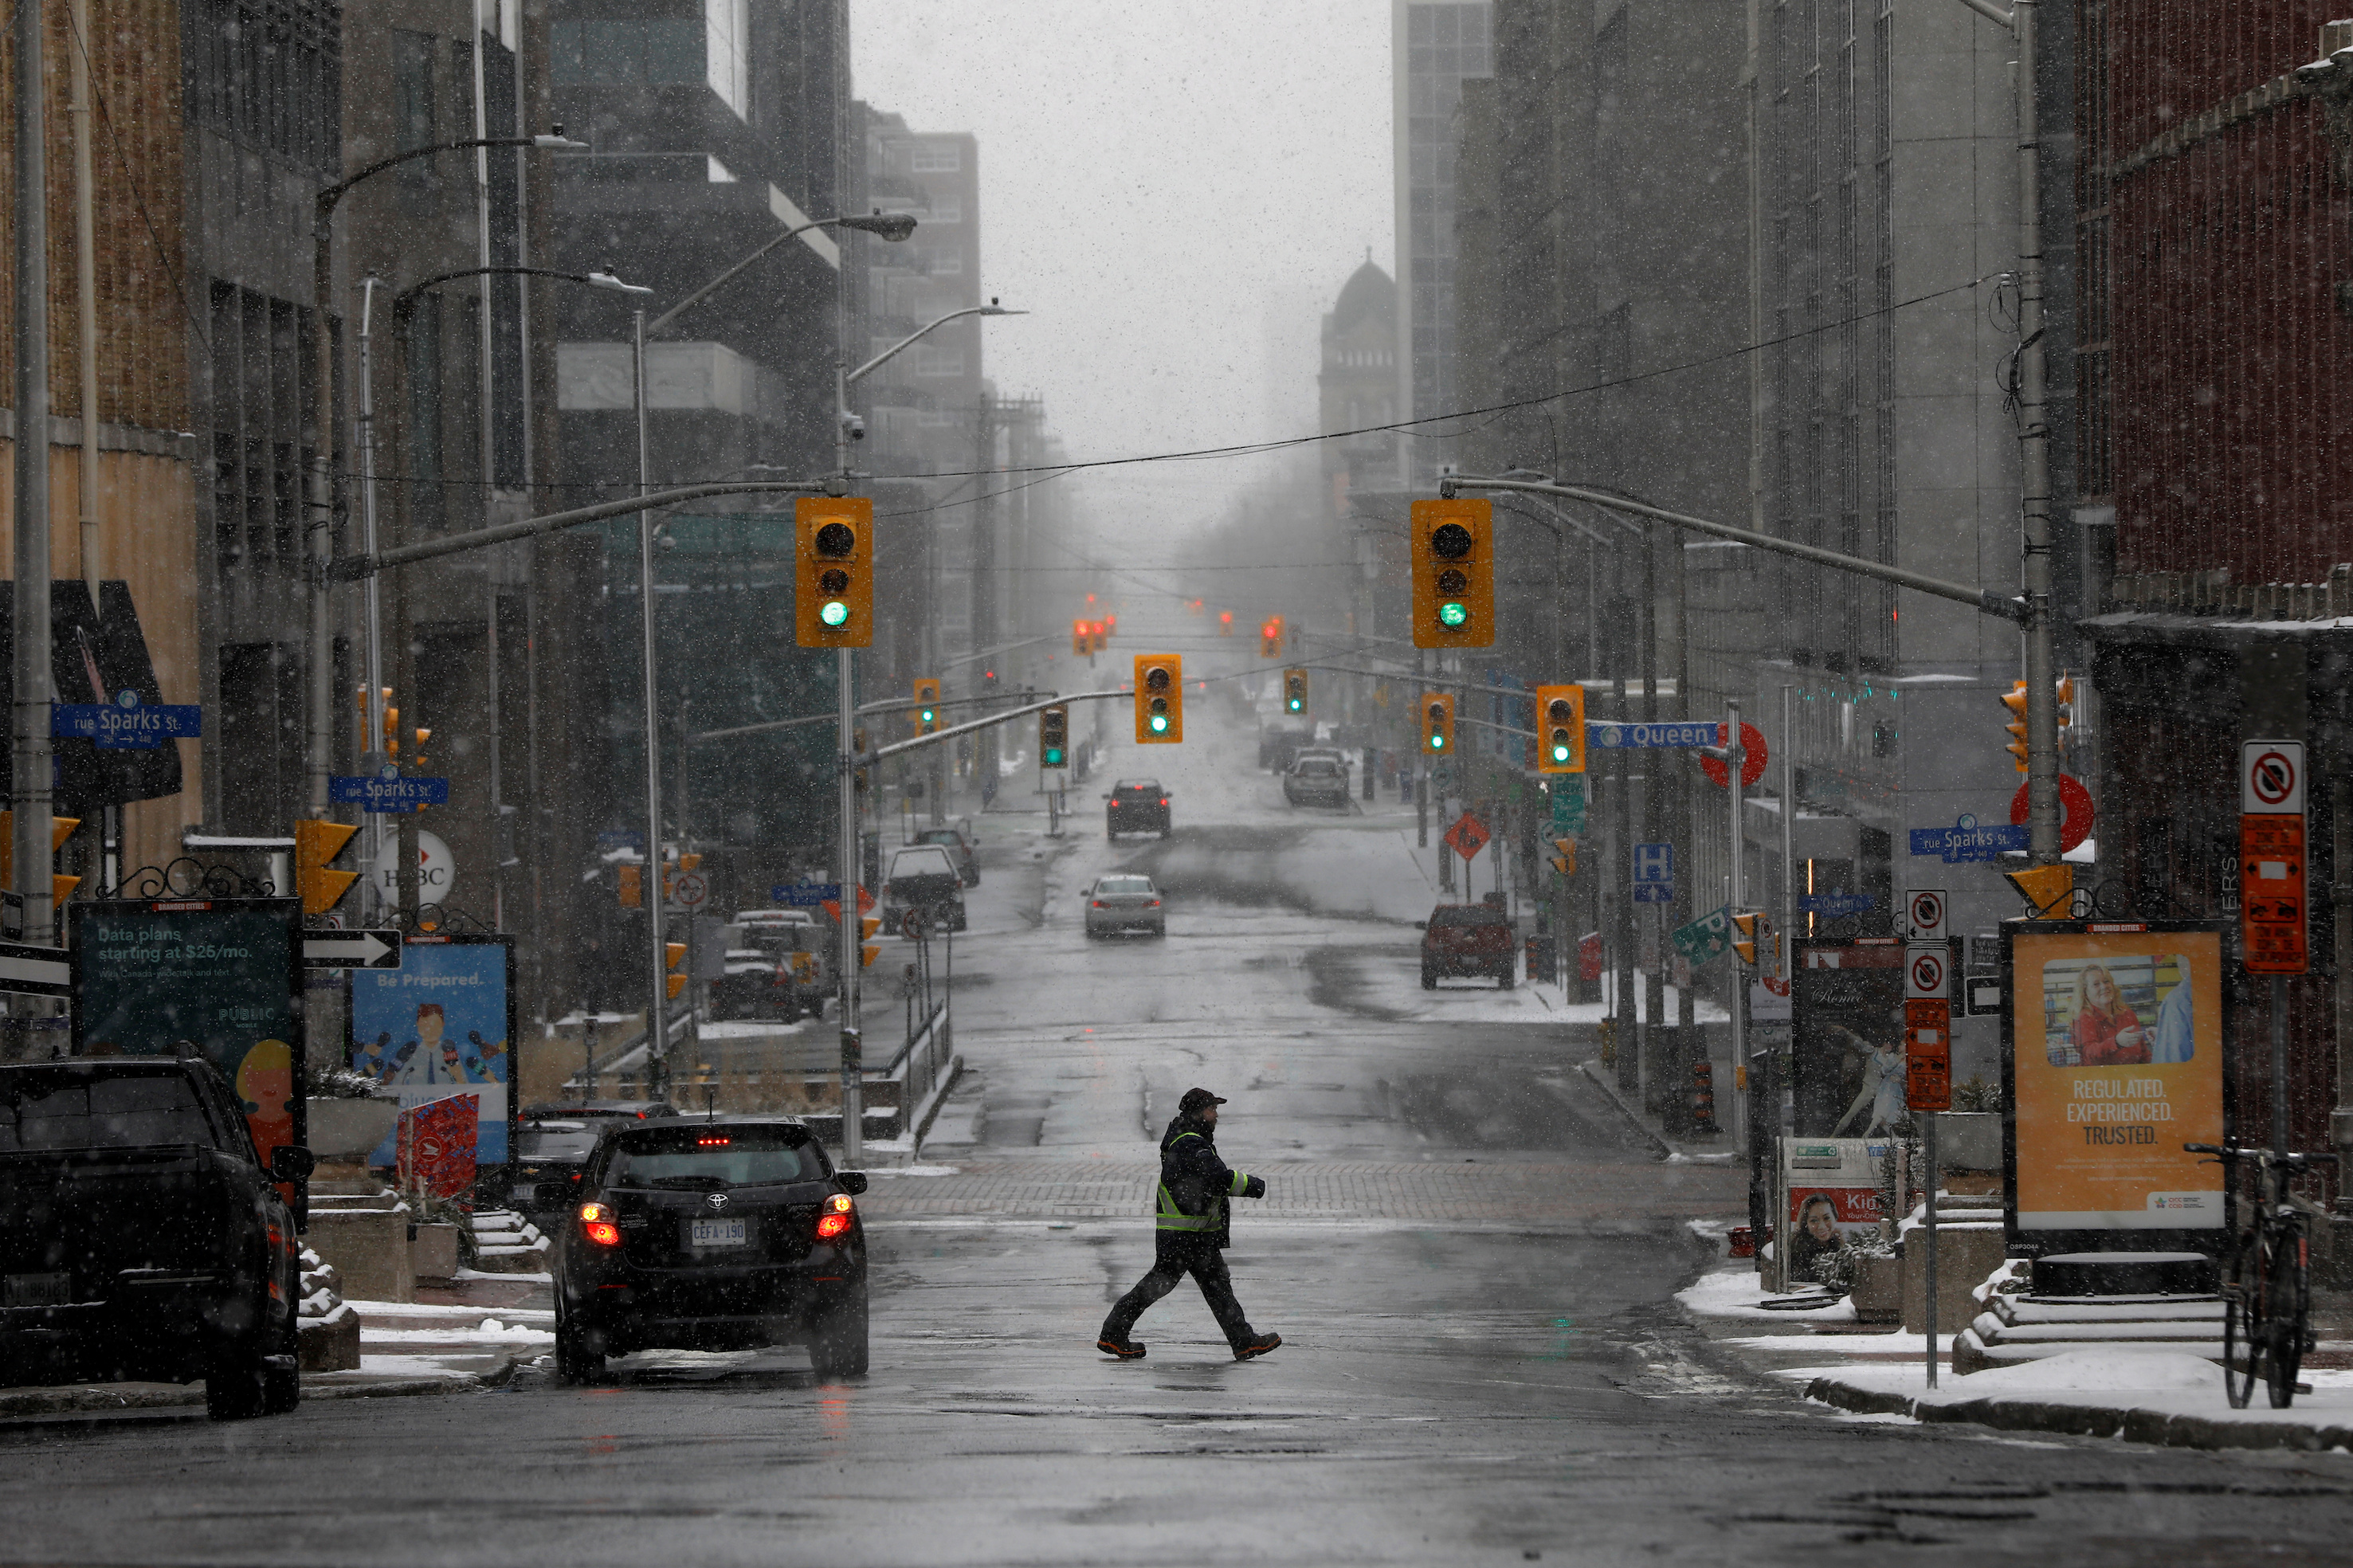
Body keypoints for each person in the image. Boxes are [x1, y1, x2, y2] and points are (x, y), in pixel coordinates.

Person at [1098, 1088, 1282, 1362]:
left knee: (1216, 1286)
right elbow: (1218, 1178)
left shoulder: (1190, 1139)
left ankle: (1244, 1342)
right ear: (1199, 1113)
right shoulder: (1190, 1143)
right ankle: (1113, 1334)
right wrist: (1253, 1185)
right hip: (1185, 1235)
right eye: (1212, 1109)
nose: (1216, 1115)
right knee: (1161, 1285)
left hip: (1193, 1233)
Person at [2071, 964, 2149, 1065]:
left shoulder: (2127, 1014)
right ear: (2085, 992)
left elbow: (2143, 1053)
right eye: (2096, 984)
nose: (2104, 987)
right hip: (2103, 1078)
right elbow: (2089, 1054)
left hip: (2132, 1076)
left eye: (2106, 981)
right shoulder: (2084, 1018)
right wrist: (2116, 1042)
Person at [1786, 1193, 1845, 1284]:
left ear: (1835, 1218)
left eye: (1827, 1218)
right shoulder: (1794, 1253)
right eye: (1814, 1220)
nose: (1821, 1226)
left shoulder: (1843, 1250)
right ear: (1805, 1223)